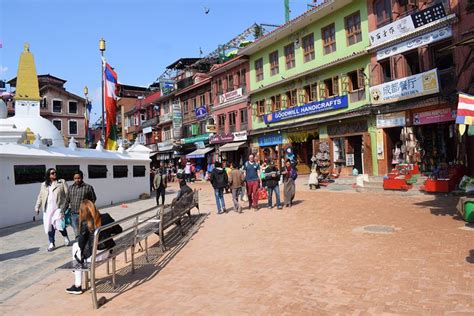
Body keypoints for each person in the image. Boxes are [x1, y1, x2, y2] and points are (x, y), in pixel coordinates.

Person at [66, 200, 122, 295]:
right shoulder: (106, 217)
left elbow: (81, 244)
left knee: (75, 247)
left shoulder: (85, 223)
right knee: (77, 249)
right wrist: (107, 235)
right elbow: (119, 230)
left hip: (94, 257)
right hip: (106, 252)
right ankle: (76, 271)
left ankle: (77, 285)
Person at [35, 168, 71, 252]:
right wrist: (37, 207)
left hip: (58, 208)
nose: (54, 174)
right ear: (48, 175)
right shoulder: (44, 184)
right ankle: (52, 243)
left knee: (59, 225)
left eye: (55, 172)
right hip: (48, 209)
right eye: (52, 173)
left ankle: (66, 237)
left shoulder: (61, 182)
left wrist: (67, 206)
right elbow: (40, 196)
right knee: (49, 226)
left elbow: (67, 194)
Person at [62, 170, 97, 239]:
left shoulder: (88, 187)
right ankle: (80, 247)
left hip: (85, 215)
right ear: (73, 178)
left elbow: (93, 199)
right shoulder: (70, 188)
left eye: (79, 178)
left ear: (82, 177)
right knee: (77, 234)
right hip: (74, 215)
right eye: (75, 178)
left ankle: (88, 247)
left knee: (86, 232)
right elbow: (67, 201)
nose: (77, 180)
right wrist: (63, 211)